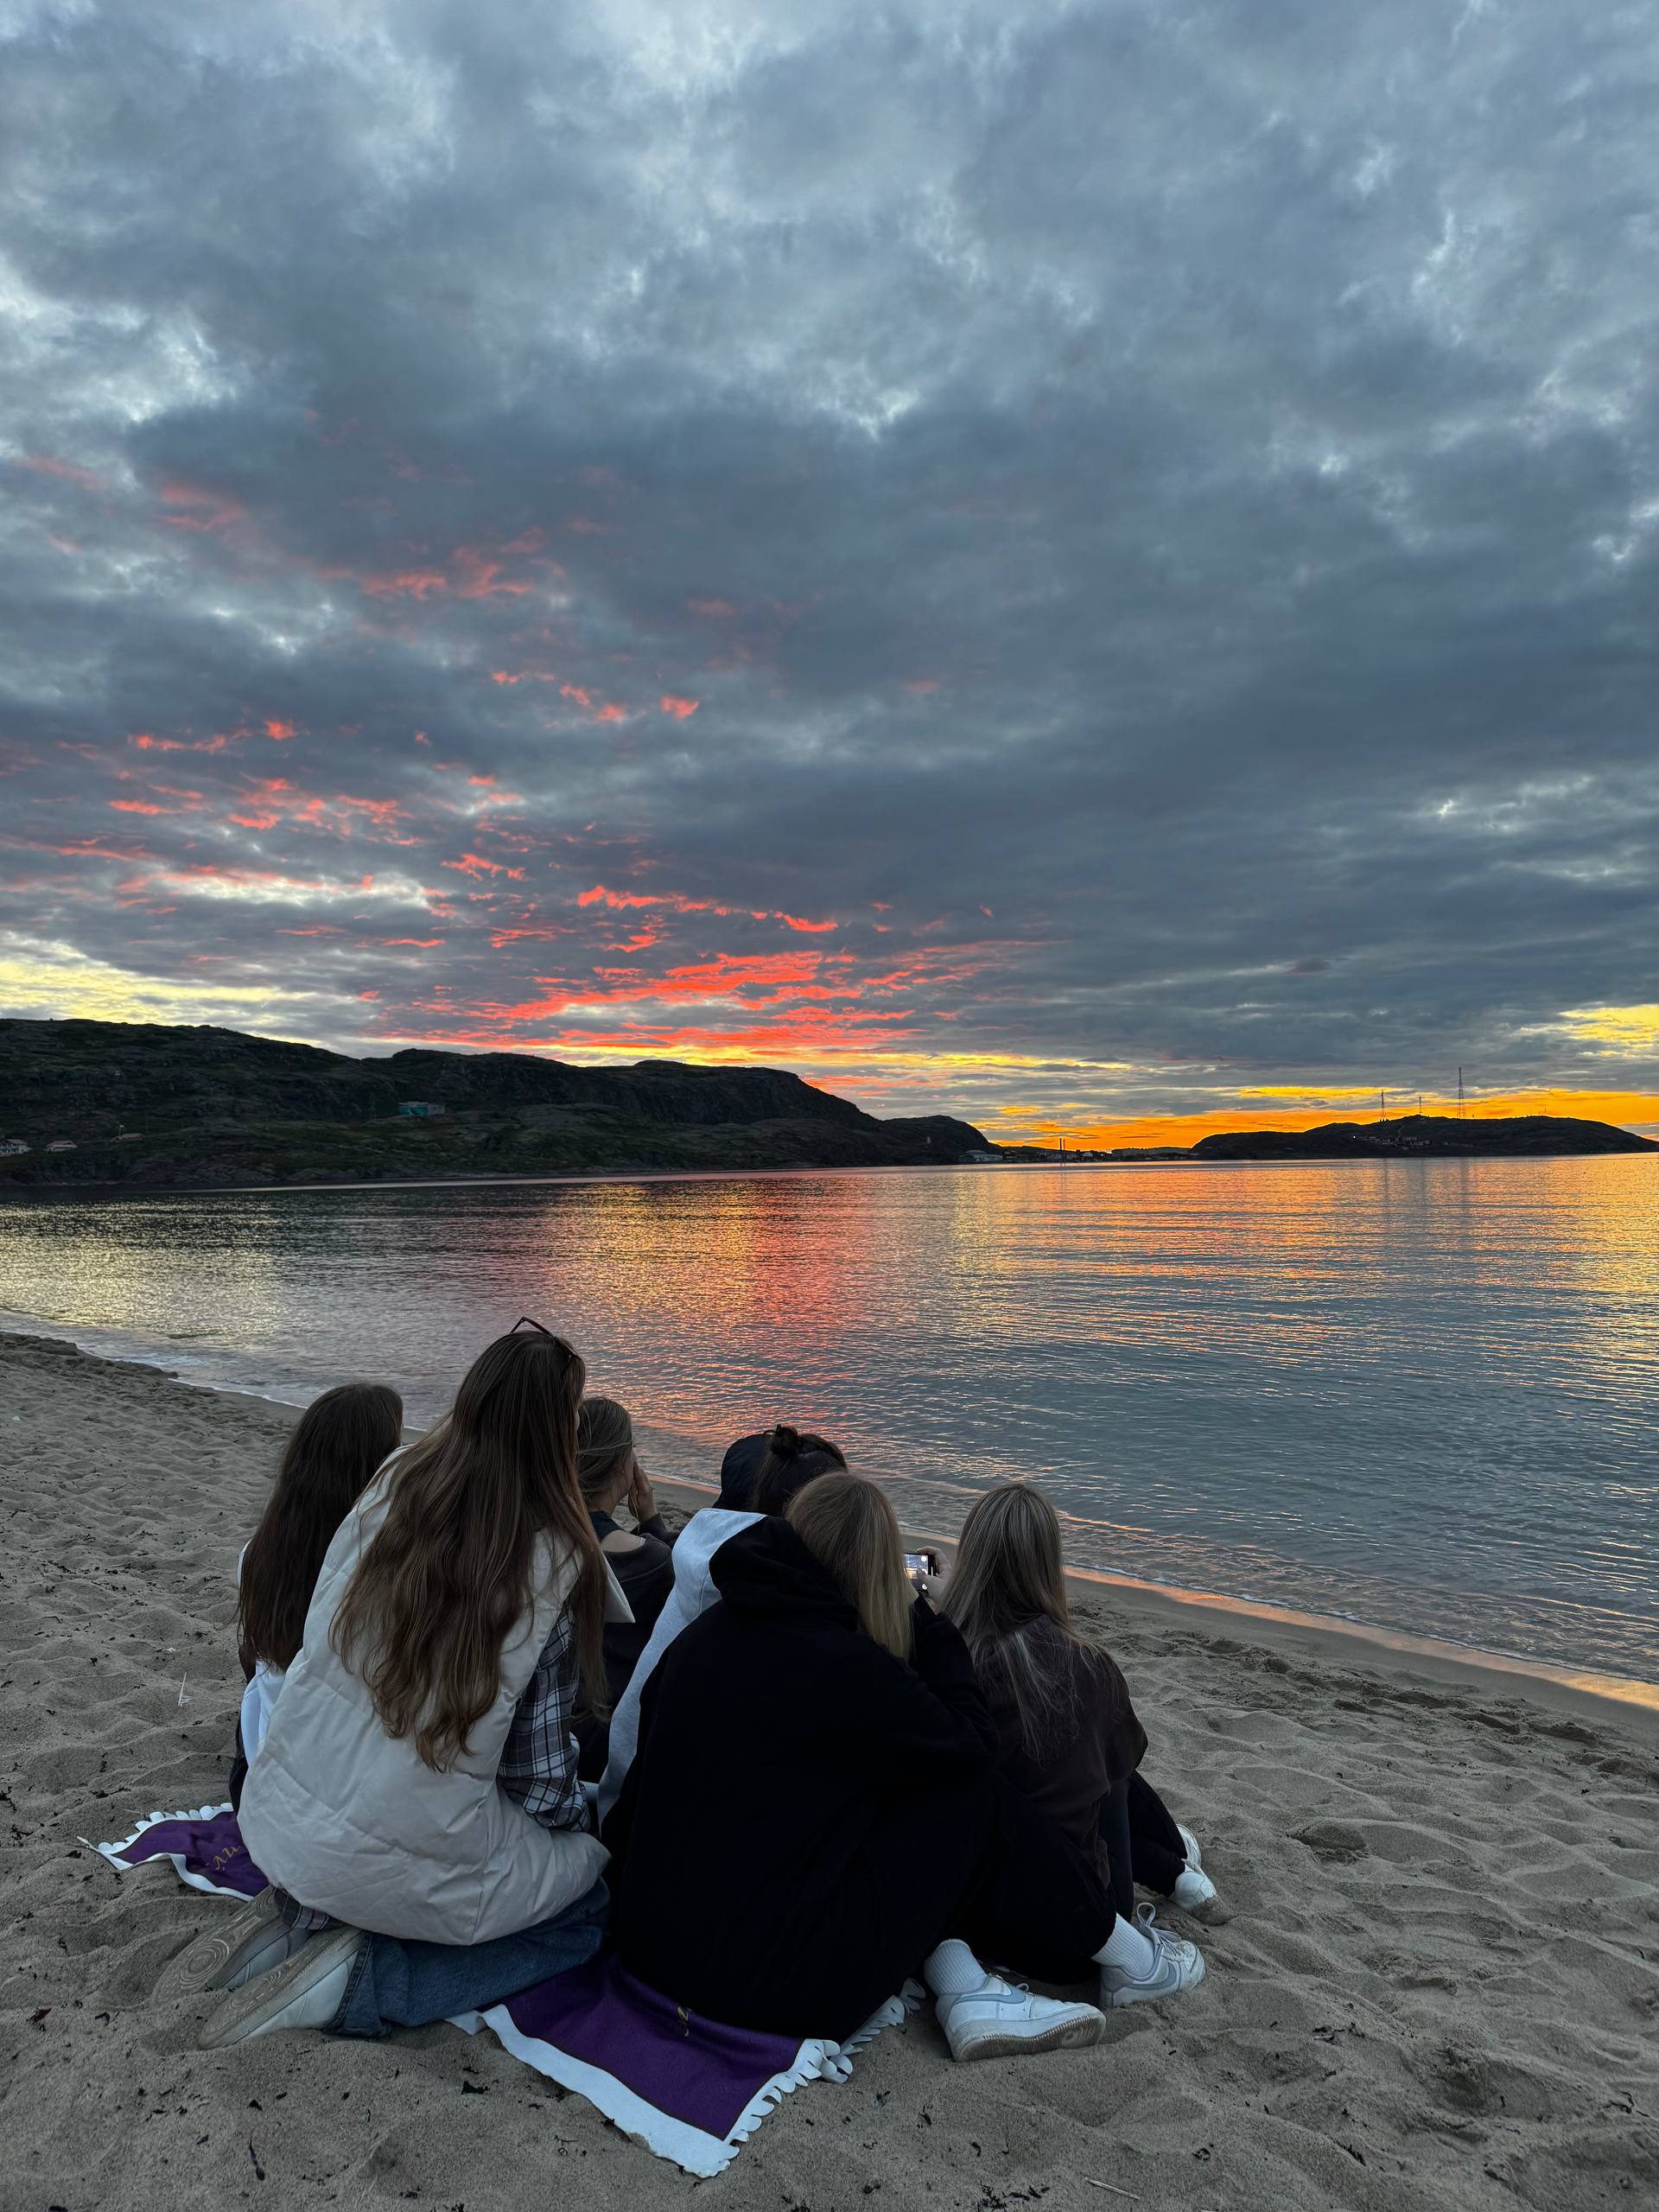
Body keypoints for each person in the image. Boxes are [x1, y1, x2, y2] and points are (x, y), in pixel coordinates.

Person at [608, 1471, 1202, 2061]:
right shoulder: (849, 1667)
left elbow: (635, 1801)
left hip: (642, 1941)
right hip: (760, 1992)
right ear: (874, 1569)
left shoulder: (706, 1634)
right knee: (967, 1791)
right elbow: (973, 1748)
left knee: (899, 1780)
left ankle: (978, 1973)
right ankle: (1133, 1956)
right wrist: (926, 1620)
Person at [166, 1324, 629, 2045]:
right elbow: (538, 1790)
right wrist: (584, 1830)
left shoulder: (389, 1493)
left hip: (286, 1815)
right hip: (383, 1850)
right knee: (586, 1908)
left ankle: (309, 1925)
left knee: (435, 1833)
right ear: (557, 1438)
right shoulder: (548, 1571)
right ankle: (362, 1981)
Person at [941, 1482, 1221, 1926]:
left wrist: (939, 1612)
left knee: (1096, 1753)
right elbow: (1122, 1766)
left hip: (975, 1893)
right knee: (1109, 1764)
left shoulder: (944, 1658)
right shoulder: (1087, 1665)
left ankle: (1176, 1862)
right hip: (1082, 1910)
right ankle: (1174, 1861)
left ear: (971, 1559)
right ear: (1048, 1564)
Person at [595, 1423, 847, 1822]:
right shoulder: (777, 1615)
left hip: (621, 1804)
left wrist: (653, 1523)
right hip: (654, 1828)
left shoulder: (693, 1572)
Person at [228, 1382, 406, 1808]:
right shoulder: (380, 1569)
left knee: (258, 1664)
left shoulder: (257, 1554)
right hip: (330, 1794)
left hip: (256, 1775)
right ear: (378, 1466)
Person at [572, 1395, 674, 1778]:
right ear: (623, 1464)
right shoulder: (648, 1560)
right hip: (608, 1741)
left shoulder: (531, 1539)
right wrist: (650, 1519)